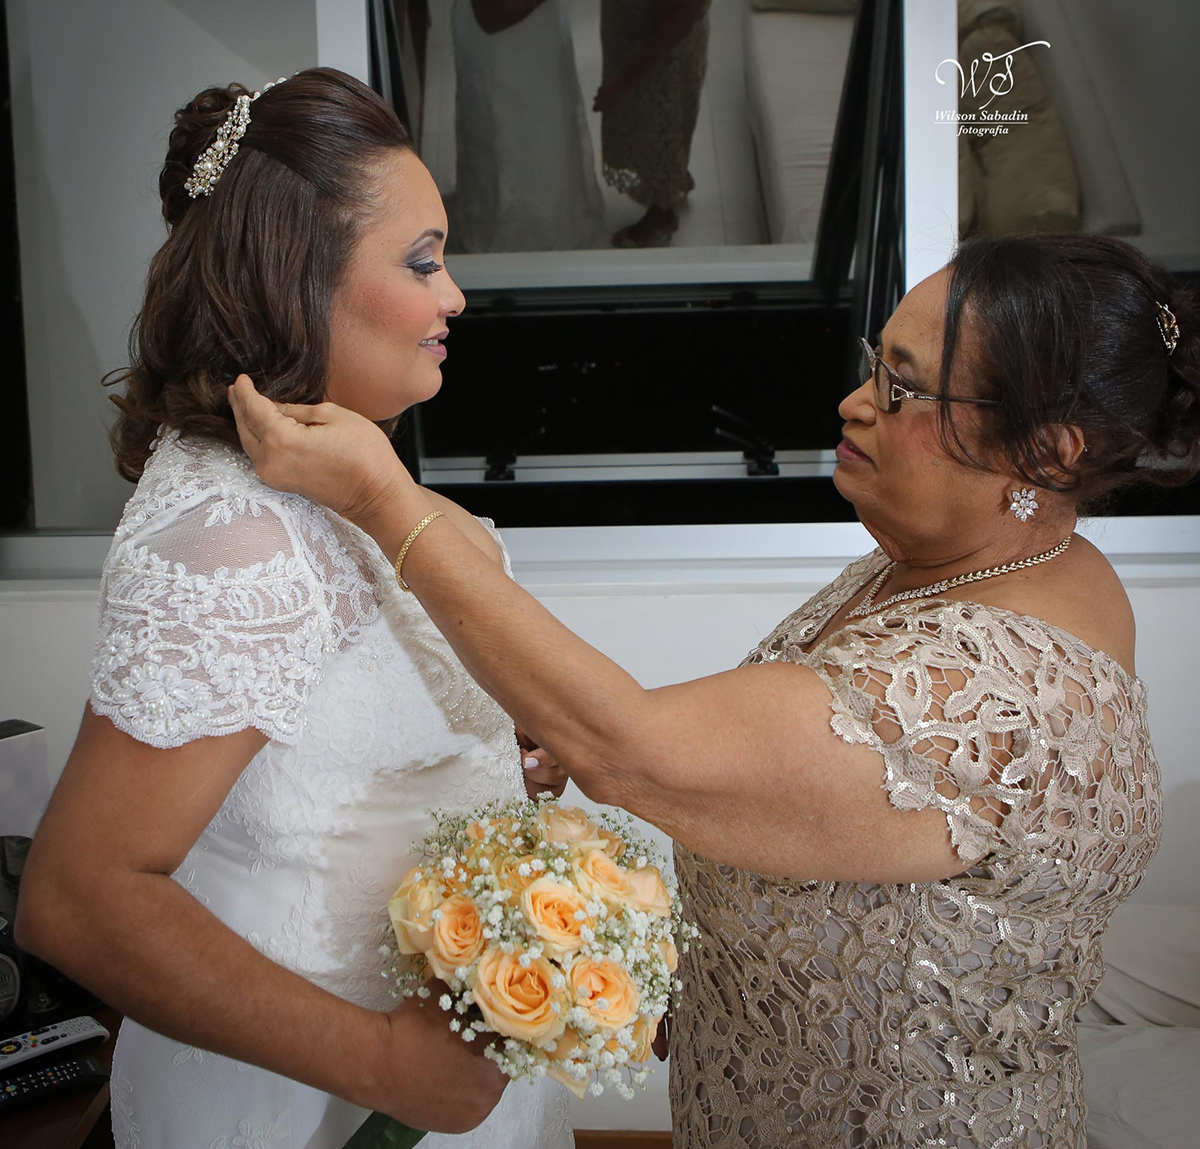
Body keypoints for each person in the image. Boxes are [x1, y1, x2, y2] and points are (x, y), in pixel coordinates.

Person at [226, 232, 1200, 1148]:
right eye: (876, 361)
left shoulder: (996, 686)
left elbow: (638, 749)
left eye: (902, 391)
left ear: (1053, 453)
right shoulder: (970, 557)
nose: (855, 404)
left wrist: (379, 496)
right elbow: (816, 780)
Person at [15, 68, 573, 1149]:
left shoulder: (340, 480)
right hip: (305, 1106)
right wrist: (383, 1066)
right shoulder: (237, 540)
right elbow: (77, 896)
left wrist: (484, 757)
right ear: (297, 280)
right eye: (422, 262)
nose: (455, 296)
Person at [443, 0, 605, 253]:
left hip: (536, 31)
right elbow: (491, 17)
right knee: (512, 129)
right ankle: (511, 229)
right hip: (505, 46)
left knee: (546, 124)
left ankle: (552, 209)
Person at [595, 0, 728, 247]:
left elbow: (675, 25)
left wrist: (620, 84)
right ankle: (667, 183)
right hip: (629, 41)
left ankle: (661, 215)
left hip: (661, 58)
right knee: (639, 125)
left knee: (661, 128)